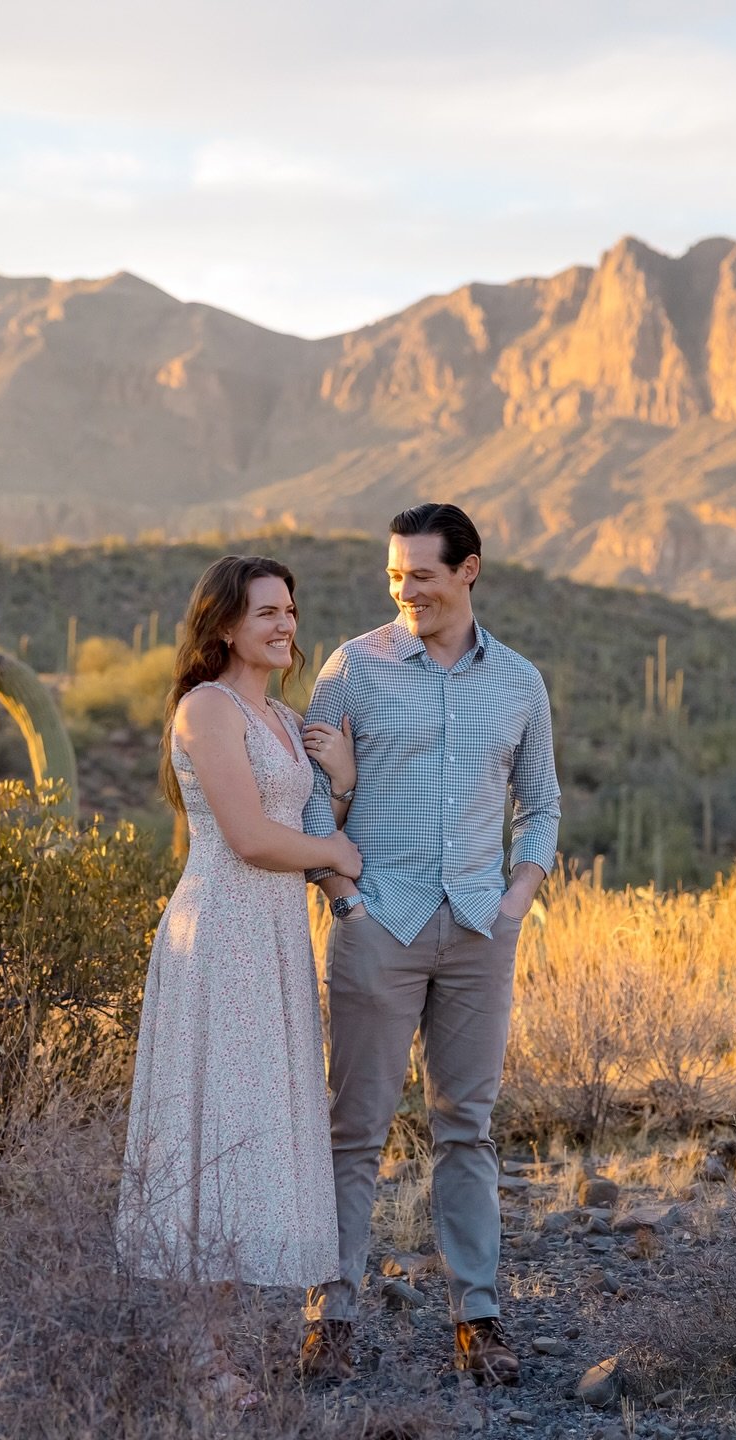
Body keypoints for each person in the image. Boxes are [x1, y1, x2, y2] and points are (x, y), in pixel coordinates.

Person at [297, 503, 561, 1387]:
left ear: (469, 571)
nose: (407, 591)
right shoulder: (352, 669)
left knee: (467, 1128)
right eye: (395, 576)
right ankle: (330, 1318)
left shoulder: (519, 681)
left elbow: (543, 803)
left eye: (423, 574)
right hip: (380, 924)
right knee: (355, 1131)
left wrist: (519, 895)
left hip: (481, 929)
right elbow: (306, 797)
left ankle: (477, 1317)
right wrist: (345, 900)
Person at [116, 554, 362, 1404]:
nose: (285, 625)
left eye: (291, 611)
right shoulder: (205, 711)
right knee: (212, 1122)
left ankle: (223, 1343)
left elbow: (309, 816)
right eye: (266, 613)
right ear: (224, 626)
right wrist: (333, 852)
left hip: (275, 943)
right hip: (219, 932)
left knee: (257, 1120)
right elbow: (255, 839)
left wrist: (344, 785)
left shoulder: (289, 723)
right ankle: (203, 1355)